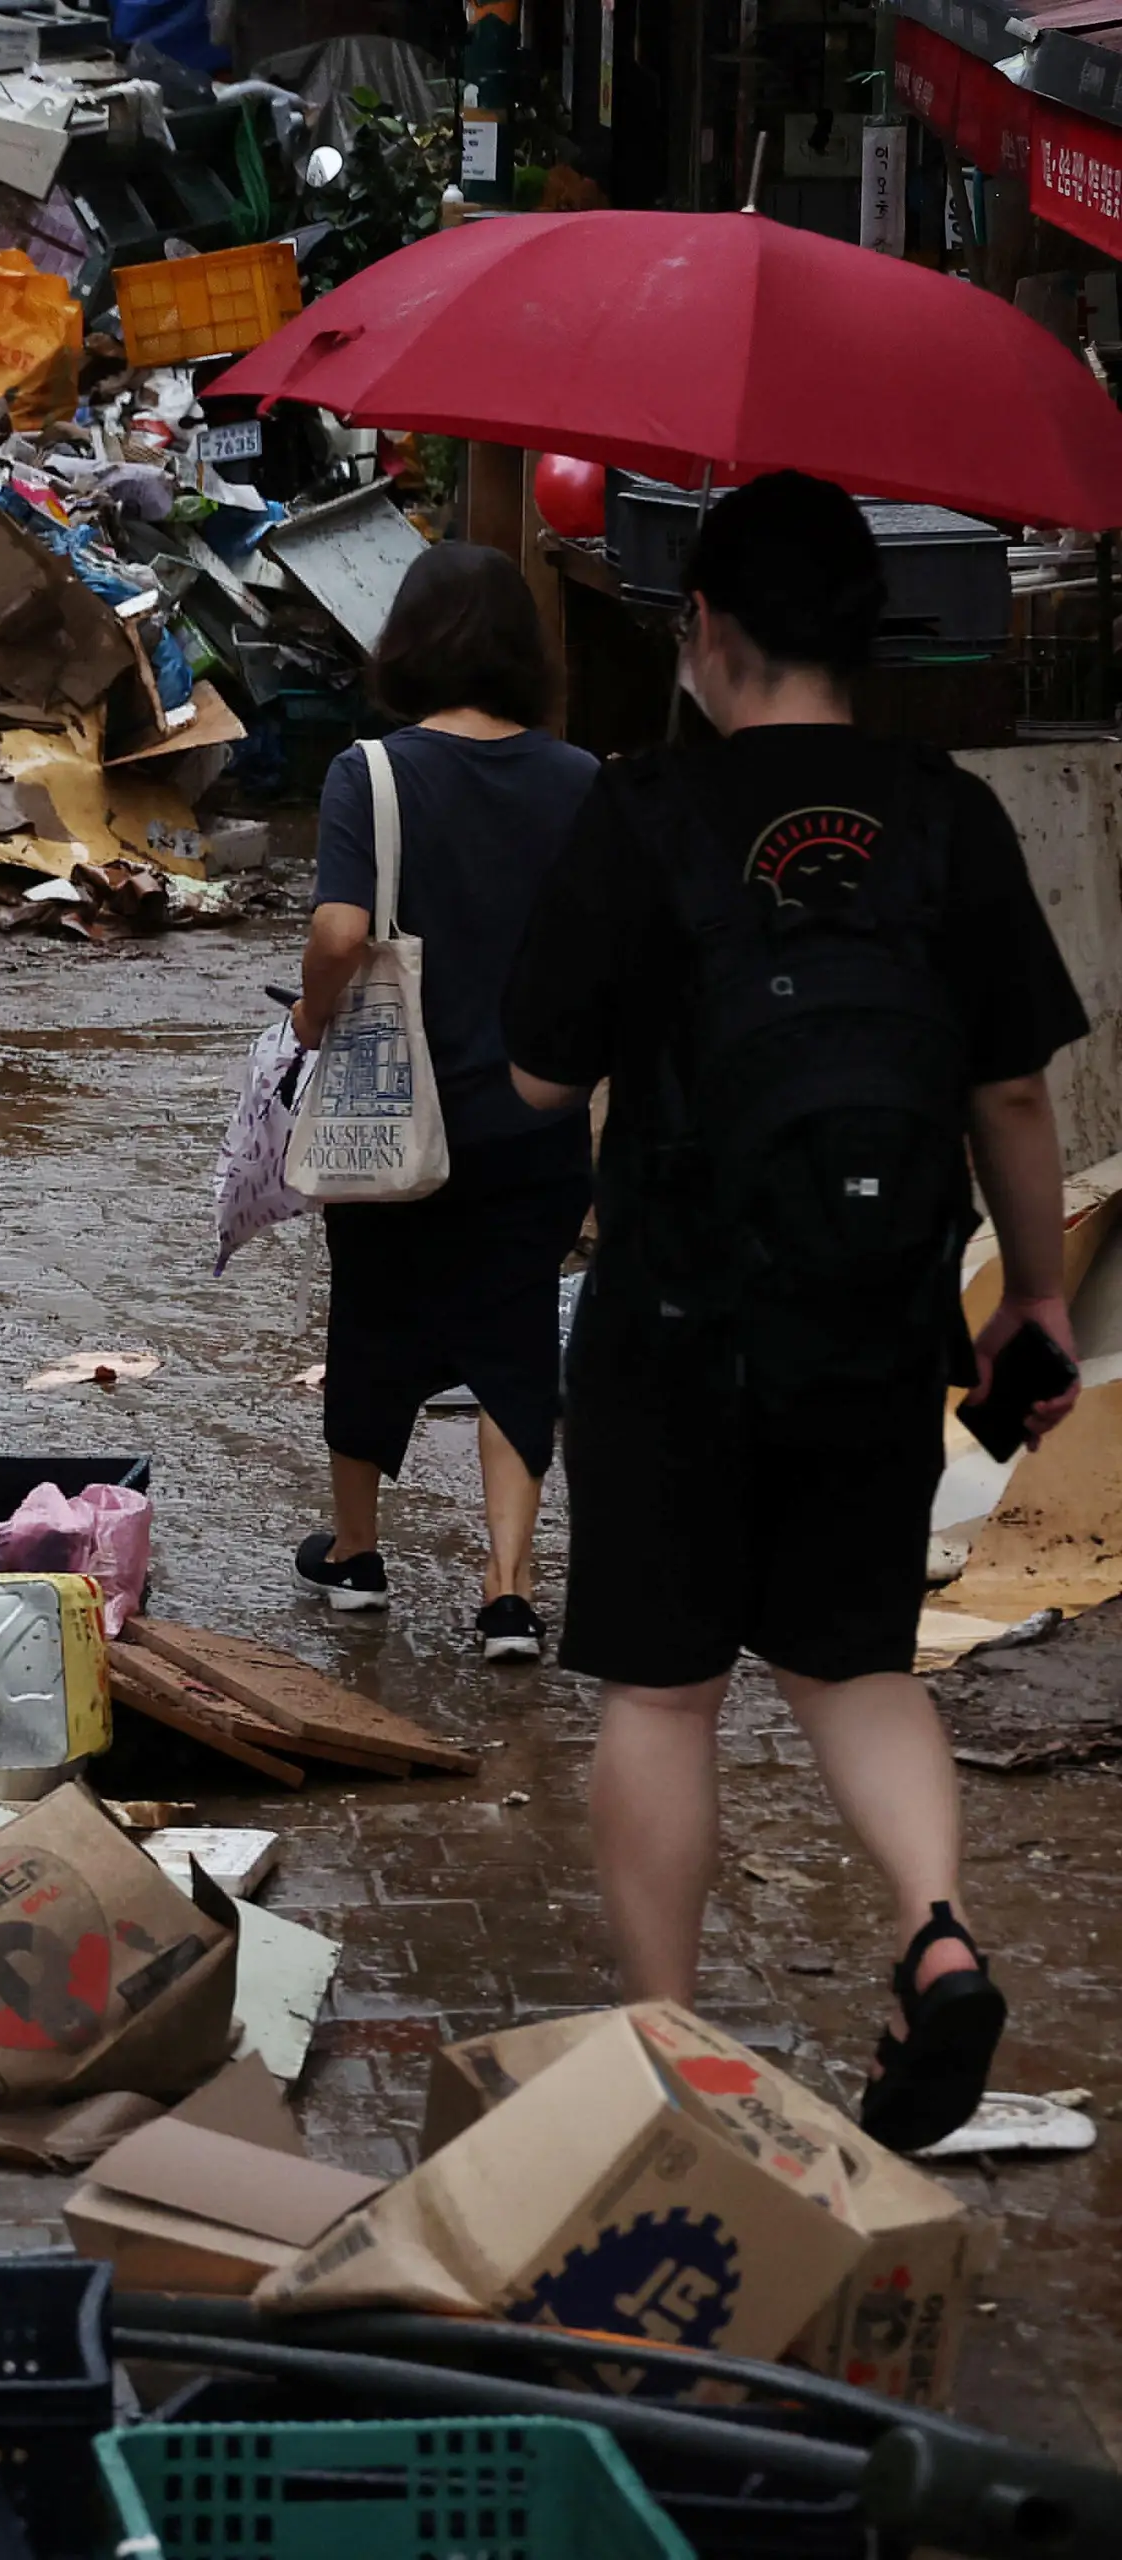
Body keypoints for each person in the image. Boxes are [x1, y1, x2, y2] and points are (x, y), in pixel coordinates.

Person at [503, 470, 1087, 2151]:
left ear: (705, 630)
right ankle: (937, 1932)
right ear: (869, 633)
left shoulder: (643, 810)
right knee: (853, 1662)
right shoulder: (945, 815)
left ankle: (670, 2050)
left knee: (665, 1690)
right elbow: (1018, 1100)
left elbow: (542, 1076)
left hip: (673, 1327)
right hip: (874, 1315)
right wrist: (1031, 1298)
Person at [287, 544, 598, 1661]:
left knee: (374, 1319)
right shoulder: (584, 780)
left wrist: (312, 1020)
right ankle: (508, 1591)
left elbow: (338, 933)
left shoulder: (368, 772)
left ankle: (358, 1554)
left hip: (394, 1119)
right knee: (517, 1339)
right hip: (535, 1119)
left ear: (406, 643)